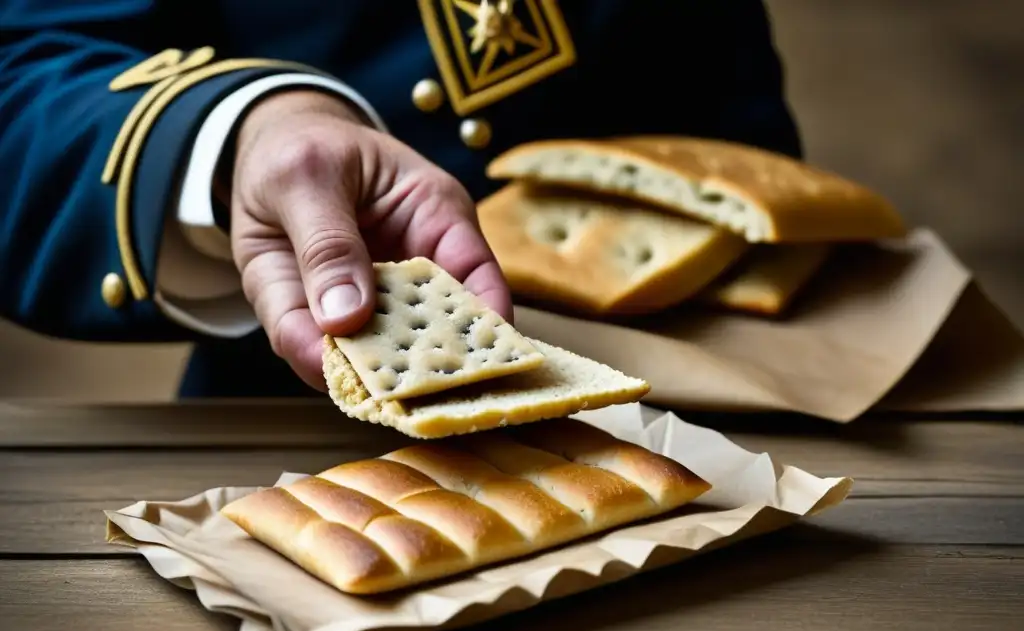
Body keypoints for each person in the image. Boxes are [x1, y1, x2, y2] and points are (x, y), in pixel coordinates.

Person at [0, 0, 802, 398]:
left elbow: (733, 124)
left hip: (709, 395)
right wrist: (241, 135)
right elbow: (19, 67)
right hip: (300, 417)